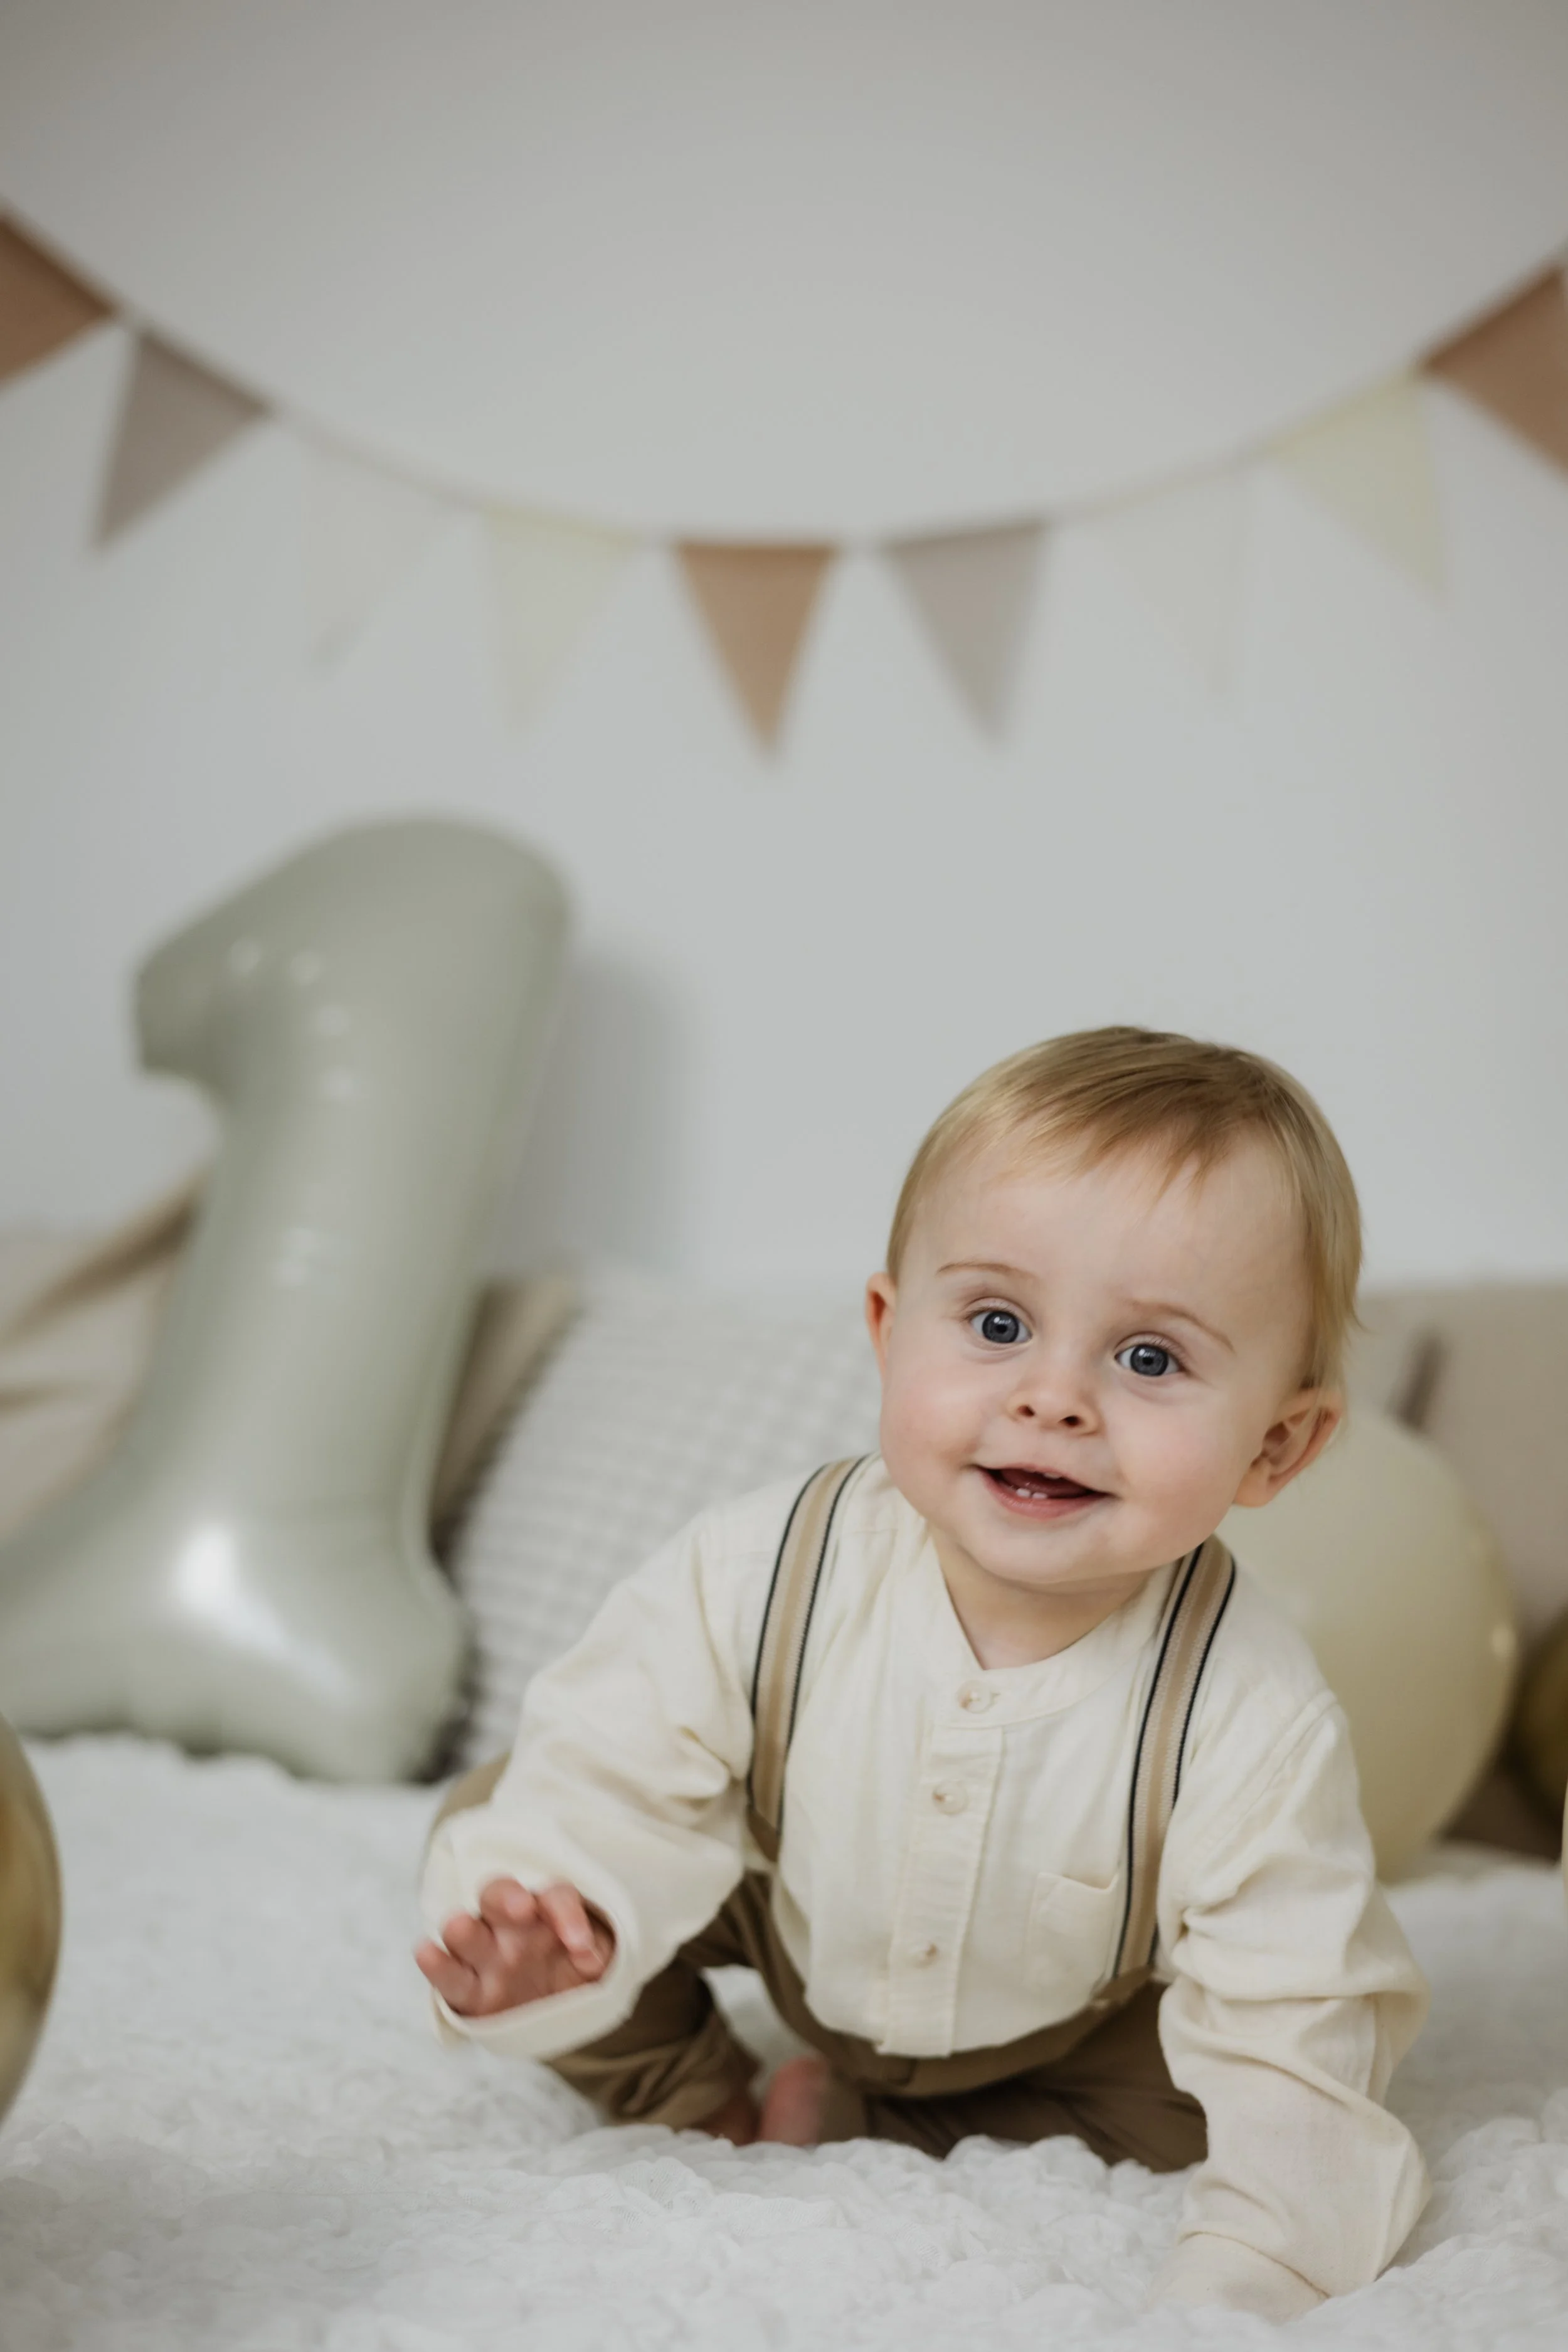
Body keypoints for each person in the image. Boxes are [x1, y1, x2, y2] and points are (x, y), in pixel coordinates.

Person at [415, 1026, 1429, 2323]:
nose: (1053, 1398)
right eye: (997, 1323)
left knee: (1237, 2088)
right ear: (890, 1332)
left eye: (1148, 1358)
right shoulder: (757, 1570)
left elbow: (1299, 2016)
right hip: (783, 1913)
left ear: (1274, 1448)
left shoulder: (1247, 1713)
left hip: (1066, 2009)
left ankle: (865, 2114)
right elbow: (609, 1766)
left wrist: (1242, 2285)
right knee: (514, 1845)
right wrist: (574, 1921)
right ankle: (696, 2096)